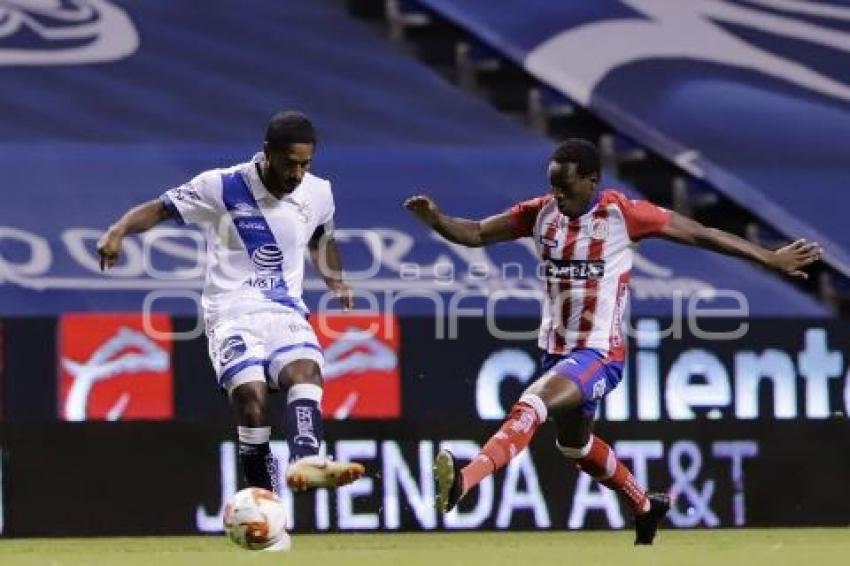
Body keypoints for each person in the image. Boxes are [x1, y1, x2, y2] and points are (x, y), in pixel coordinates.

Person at [404, 138, 821, 544]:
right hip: (557, 354)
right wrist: (438, 220)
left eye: (565, 187)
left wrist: (768, 256)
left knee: (531, 404)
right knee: (575, 446)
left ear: (592, 180)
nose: (557, 196)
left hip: (599, 354)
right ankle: (643, 505)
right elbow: (477, 233)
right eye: (552, 185)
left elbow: (701, 233)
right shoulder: (540, 213)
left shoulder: (623, 215)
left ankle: (466, 479)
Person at [98, 111, 365, 504]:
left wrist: (336, 280)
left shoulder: (319, 192)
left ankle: (308, 459)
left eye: (305, 164)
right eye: (289, 163)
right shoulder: (220, 186)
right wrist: (118, 230)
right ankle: (268, 506)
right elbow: (159, 208)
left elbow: (321, 238)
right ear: (267, 154)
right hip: (231, 314)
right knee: (252, 401)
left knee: (304, 372)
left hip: (285, 310)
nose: (297, 173)